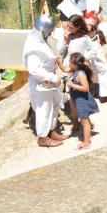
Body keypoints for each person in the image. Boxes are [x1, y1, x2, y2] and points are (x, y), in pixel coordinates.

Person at [23, 15, 69, 148]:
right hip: (41, 82)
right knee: (44, 109)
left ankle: (51, 131)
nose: (49, 33)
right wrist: (53, 78)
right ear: (43, 29)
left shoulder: (40, 39)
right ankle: (43, 137)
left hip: (48, 81)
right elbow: (34, 69)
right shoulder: (33, 45)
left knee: (54, 106)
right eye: (48, 31)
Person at [67, 53, 98, 150]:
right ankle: (87, 136)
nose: (68, 63)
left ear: (75, 64)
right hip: (78, 100)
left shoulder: (80, 74)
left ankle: (86, 142)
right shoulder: (76, 71)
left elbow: (85, 88)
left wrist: (72, 85)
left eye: (69, 62)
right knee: (85, 120)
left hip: (82, 100)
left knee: (85, 122)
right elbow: (64, 69)